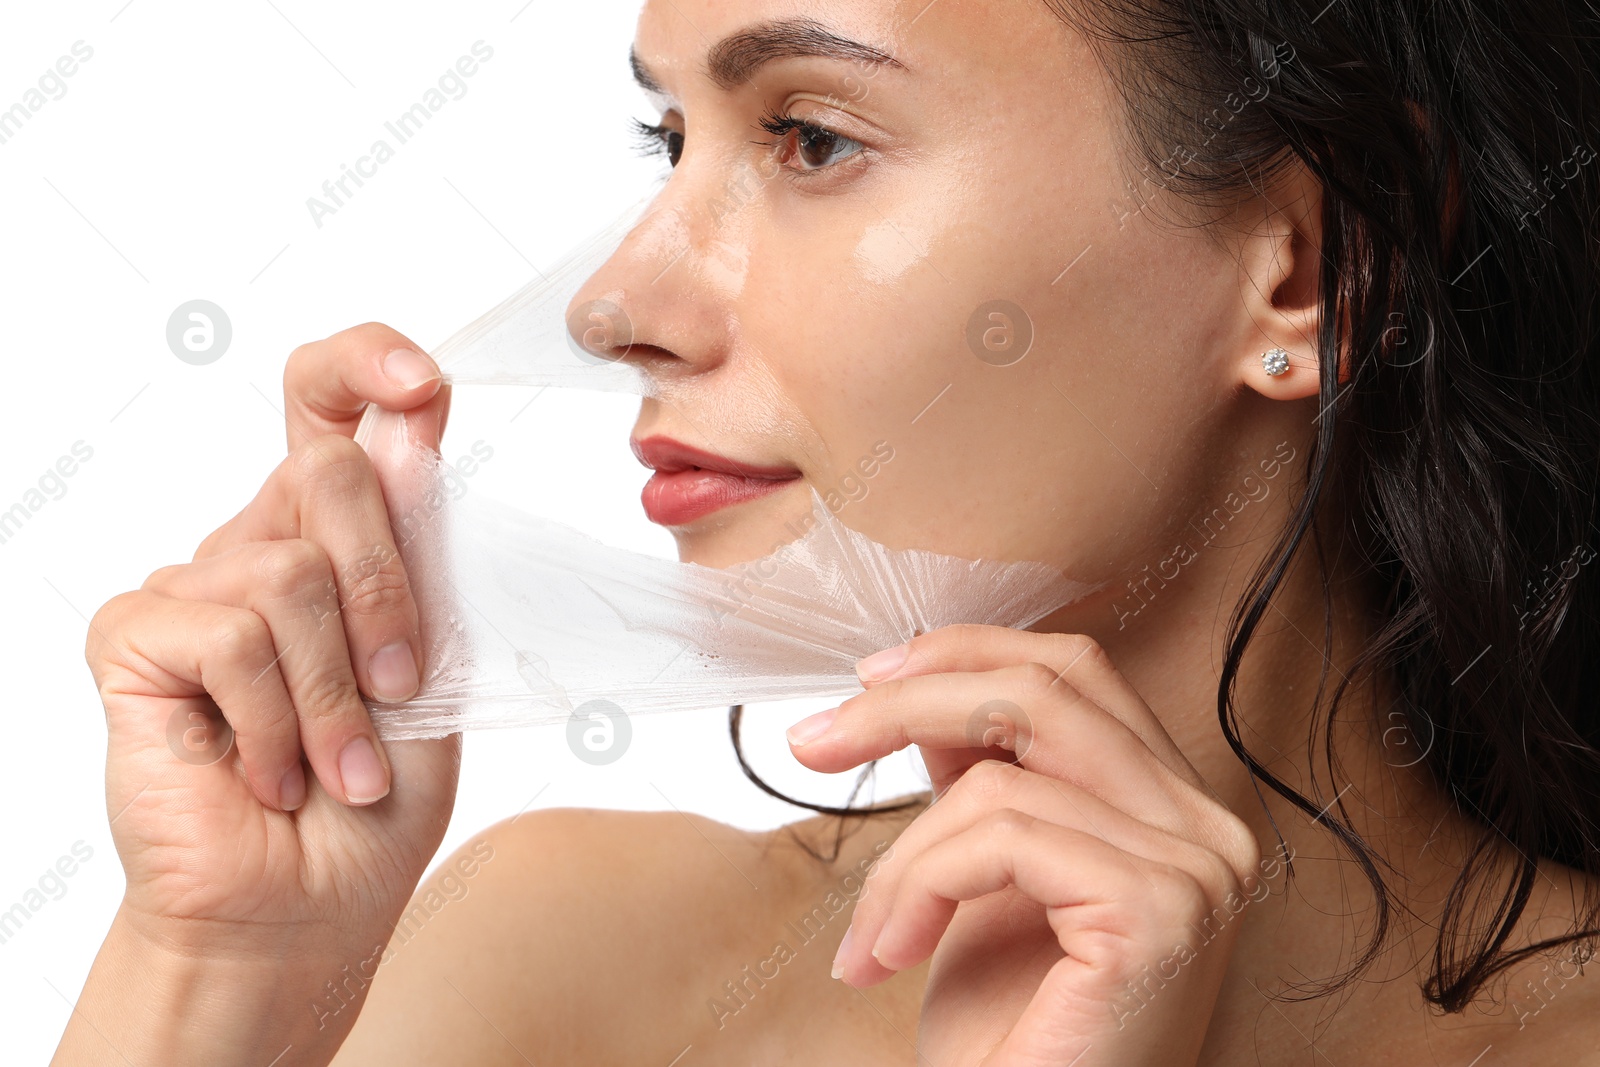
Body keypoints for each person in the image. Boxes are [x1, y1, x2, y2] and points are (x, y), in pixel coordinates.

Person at [53, 0, 1600, 1063]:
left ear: (1308, 274)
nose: (611, 310)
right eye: (673, 145)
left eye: (808, 139)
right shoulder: (553, 962)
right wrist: (219, 976)